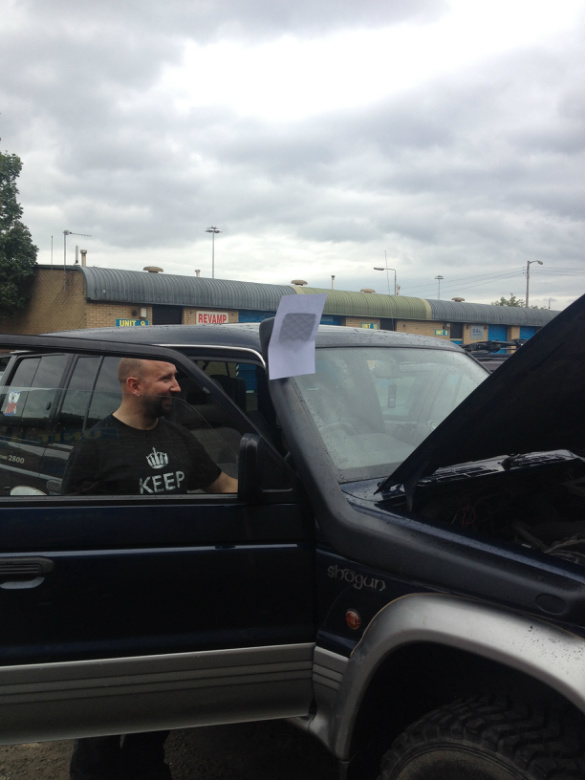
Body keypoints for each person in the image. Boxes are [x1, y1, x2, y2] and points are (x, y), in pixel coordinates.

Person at [63, 357, 238, 780]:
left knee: (160, 702)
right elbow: (70, 527)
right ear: (135, 385)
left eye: (176, 377)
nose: (177, 386)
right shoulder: (96, 444)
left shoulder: (178, 437)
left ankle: (147, 768)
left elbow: (222, 485)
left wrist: (281, 487)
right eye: (166, 378)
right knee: (104, 716)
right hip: (113, 603)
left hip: (168, 596)